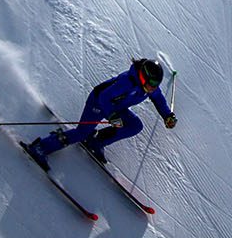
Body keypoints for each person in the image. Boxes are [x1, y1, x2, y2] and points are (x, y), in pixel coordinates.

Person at [26, 58, 176, 168]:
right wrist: (112, 117)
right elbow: (104, 97)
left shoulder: (148, 88)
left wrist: (167, 115)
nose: (153, 88)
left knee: (135, 125)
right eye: (151, 84)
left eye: (156, 85)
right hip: (98, 104)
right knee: (81, 133)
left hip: (117, 108)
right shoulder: (127, 82)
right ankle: (41, 146)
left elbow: (158, 98)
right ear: (143, 78)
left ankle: (96, 141)